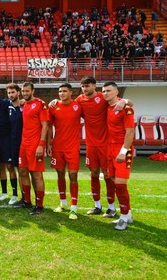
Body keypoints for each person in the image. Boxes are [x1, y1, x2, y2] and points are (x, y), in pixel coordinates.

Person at [75, 76, 129, 217]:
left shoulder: (103, 97)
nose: (85, 89)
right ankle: (97, 206)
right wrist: (55, 101)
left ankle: (111, 207)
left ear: (94, 86)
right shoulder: (80, 100)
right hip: (91, 145)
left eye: (87, 86)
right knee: (93, 174)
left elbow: (124, 103)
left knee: (107, 175)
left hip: (106, 144)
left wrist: (125, 100)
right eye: (83, 86)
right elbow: (68, 106)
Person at [102, 82, 135, 230]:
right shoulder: (108, 107)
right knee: (115, 183)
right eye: (104, 91)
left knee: (121, 184)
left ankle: (123, 217)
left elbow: (130, 132)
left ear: (116, 92)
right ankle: (127, 214)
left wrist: (123, 151)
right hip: (110, 148)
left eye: (108, 90)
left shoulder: (125, 108)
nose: (105, 93)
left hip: (121, 150)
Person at [47, 84, 82, 220]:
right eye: (60, 91)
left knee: (73, 176)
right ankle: (63, 203)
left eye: (64, 91)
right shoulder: (54, 107)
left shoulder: (78, 106)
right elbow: (49, 125)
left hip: (72, 147)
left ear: (71, 92)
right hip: (58, 147)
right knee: (60, 174)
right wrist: (49, 143)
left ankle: (74, 207)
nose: (61, 93)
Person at [15, 82, 49, 215]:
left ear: (33, 90)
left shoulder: (40, 104)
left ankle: (39, 206)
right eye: (23, 91)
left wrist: (41, 145)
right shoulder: (25, 104)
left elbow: (45, 126)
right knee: (22, 171)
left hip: (35, 145)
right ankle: (27, 201)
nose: (25, 93)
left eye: (27, 91)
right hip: (24, 144)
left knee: (36, 174)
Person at [6, 83, 23, 205]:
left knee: (24, 171)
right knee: (13, 168)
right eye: (9, 93)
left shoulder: (25, 106)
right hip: (12, 143)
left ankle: (26, 197)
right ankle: (17, 195)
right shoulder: (7, 107)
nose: (11, 95)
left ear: (18, 92)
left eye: (13, 92)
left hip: (25, 143)